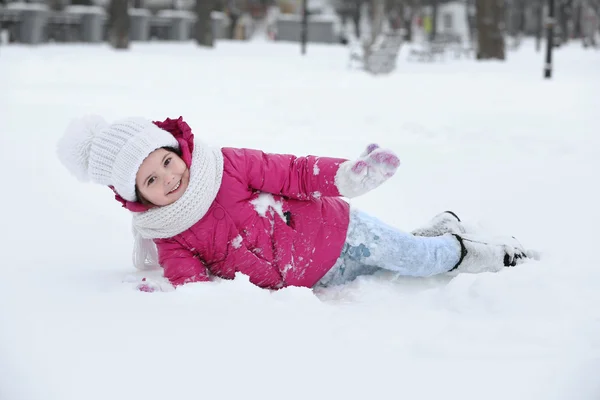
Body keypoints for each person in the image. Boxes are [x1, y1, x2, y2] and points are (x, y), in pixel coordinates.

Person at [56, 116, 534, 292]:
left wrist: (345, 175)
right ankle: (439, 227)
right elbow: (190, 278)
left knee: (418, 261)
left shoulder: (227, 165)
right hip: (321, 276)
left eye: (165, 161)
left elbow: (294, 171)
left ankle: (486, 253)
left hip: (342, 231)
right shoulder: (168, 233)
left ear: (175, 148)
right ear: (138, 197)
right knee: (399, 265)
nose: (169, 178)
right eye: (152, 181)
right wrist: (174, 295)